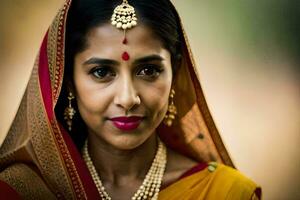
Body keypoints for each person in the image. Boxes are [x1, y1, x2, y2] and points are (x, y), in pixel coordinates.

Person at [0, 0, 261, 199]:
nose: (128, 98)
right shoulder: (22, 190)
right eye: (102, 72)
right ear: (67, 81)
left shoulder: (223, 192)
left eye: (148, 71)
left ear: (176, 72)